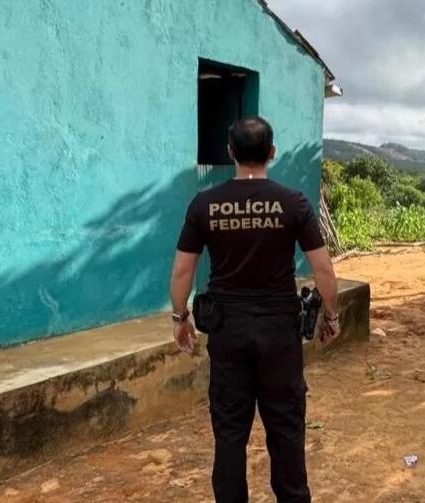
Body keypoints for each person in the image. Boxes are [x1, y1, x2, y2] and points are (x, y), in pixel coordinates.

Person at [168, 116, 340, 503]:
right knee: (286, 429)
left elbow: (182, 270)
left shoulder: (204, 204)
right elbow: (324, 269)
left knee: (229, 432)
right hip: (279, 332)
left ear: (230, 152)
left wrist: (180, 317)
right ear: (272, 153)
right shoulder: (293, 203)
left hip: (227, 332)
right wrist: (331, 315)